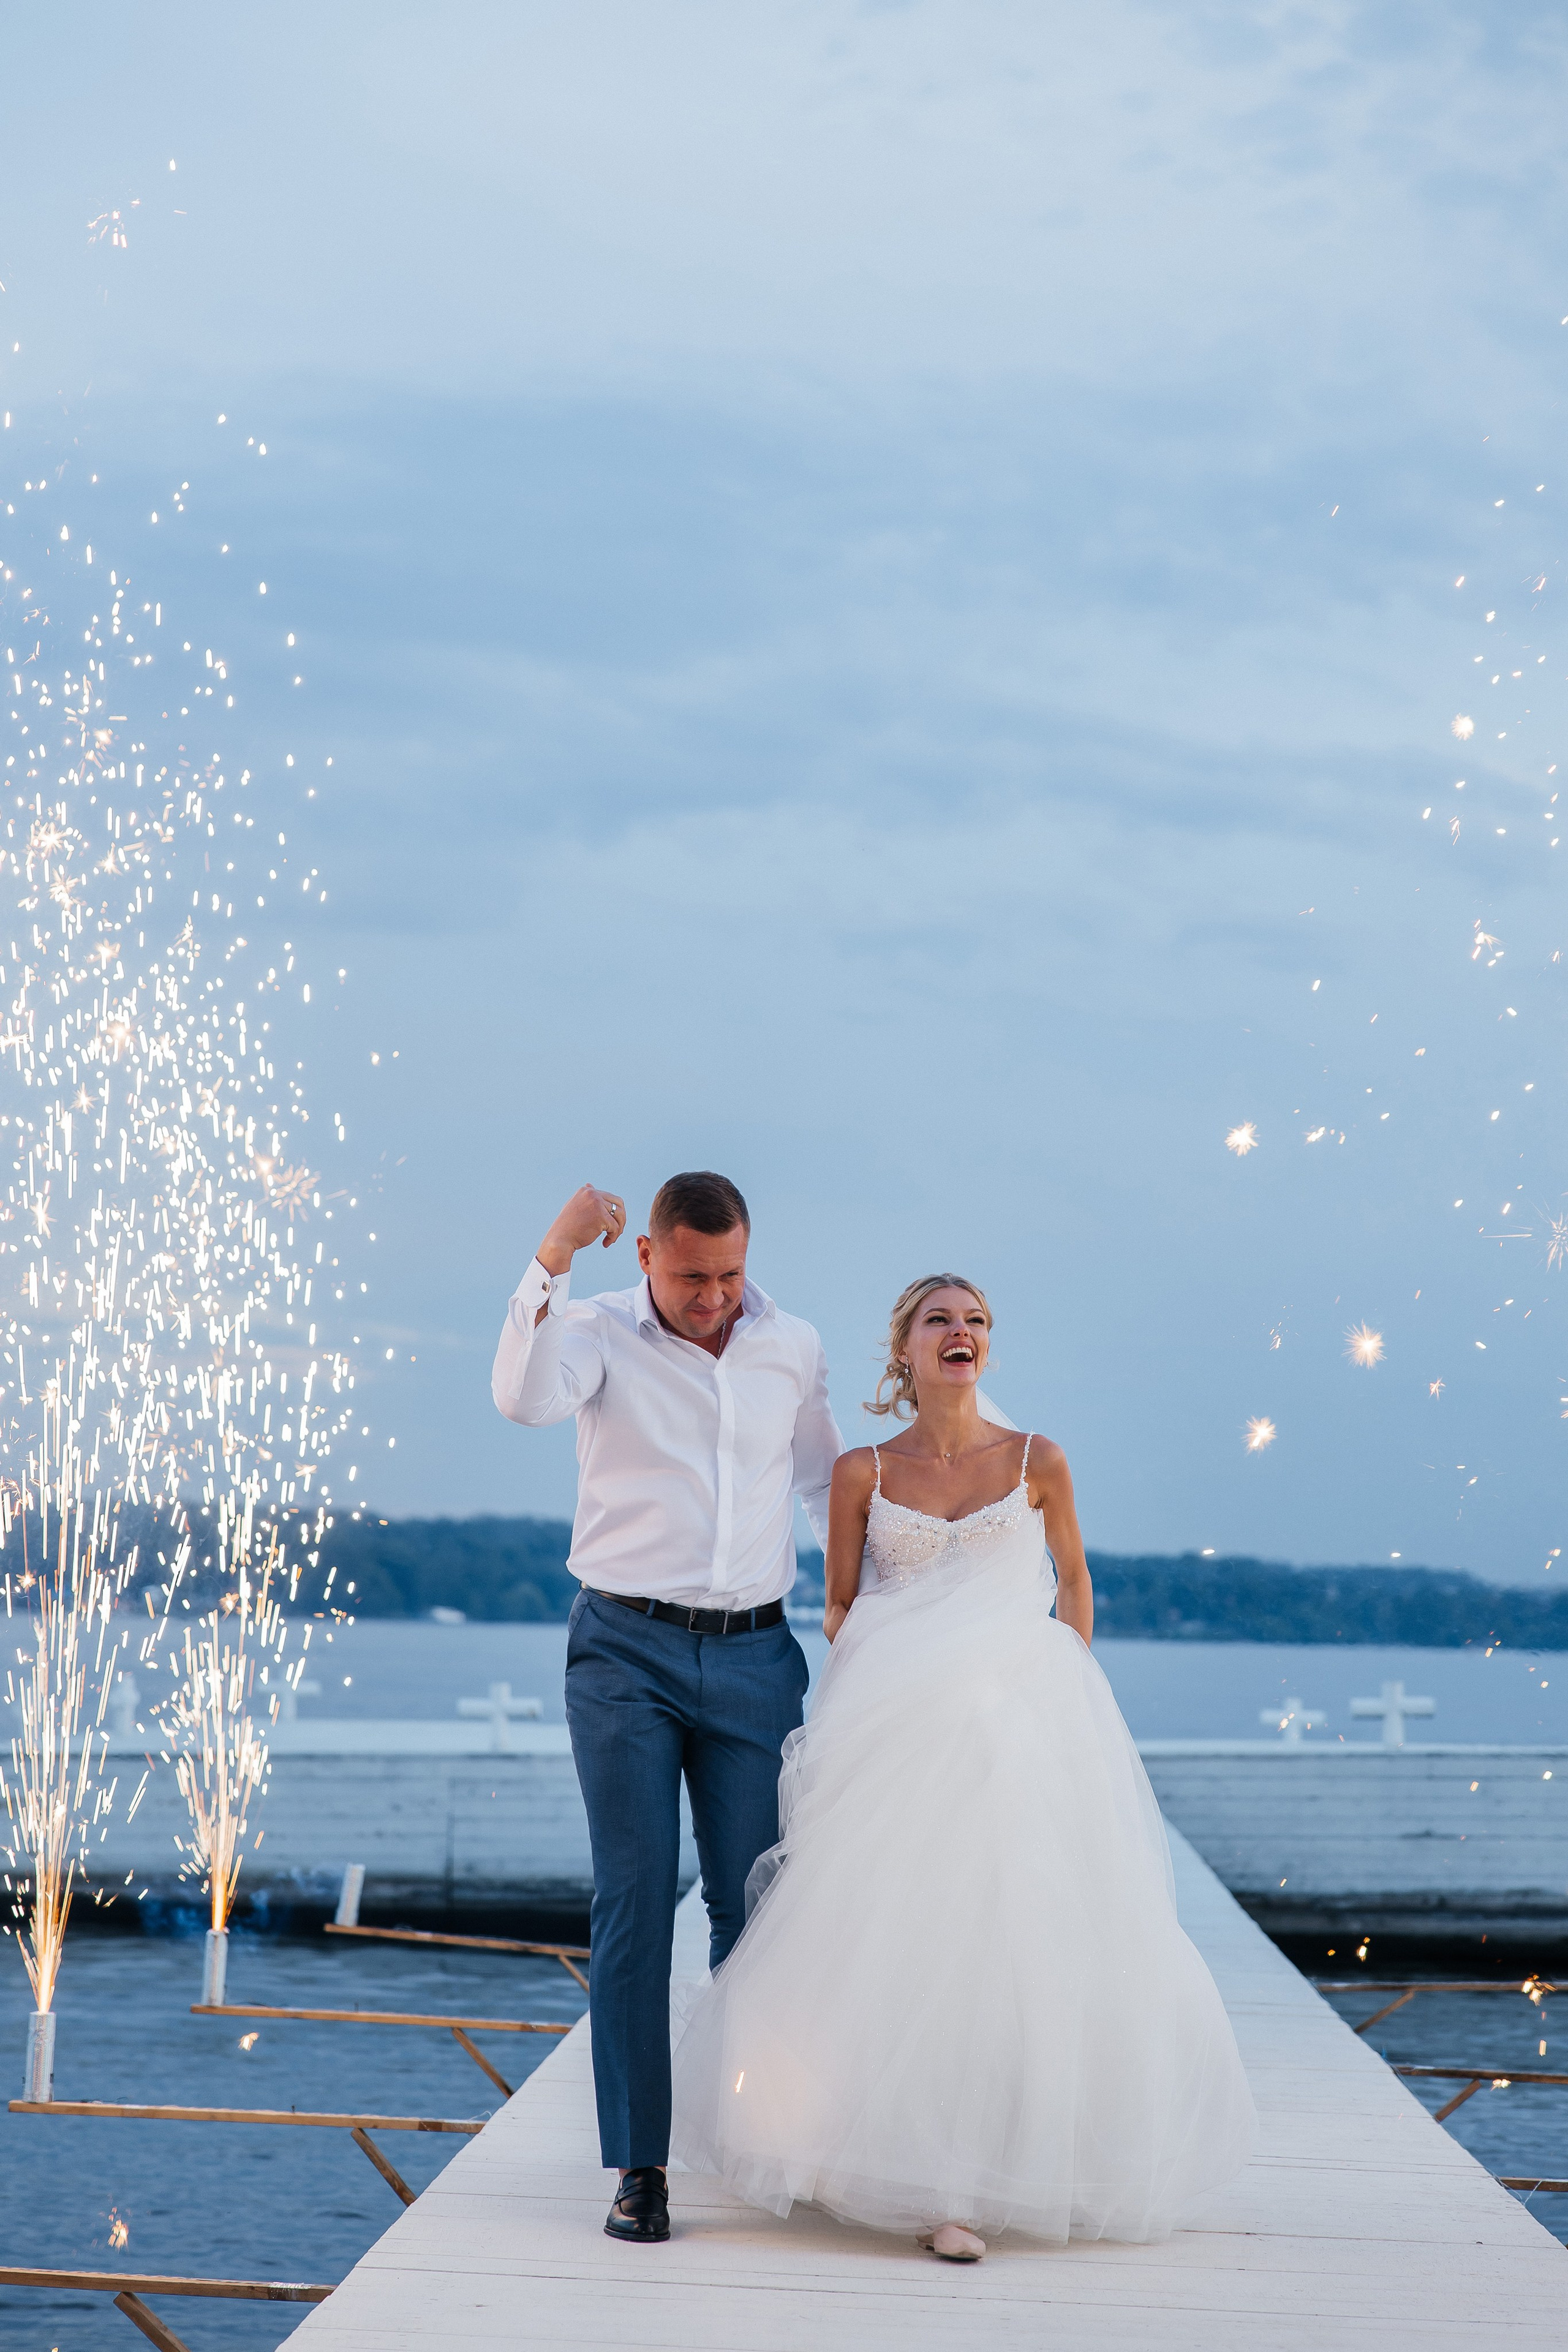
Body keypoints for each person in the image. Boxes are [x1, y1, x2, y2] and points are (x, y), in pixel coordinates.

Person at [670, 1273, 1254, 2261]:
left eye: (978, 1320)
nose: (963, 1332)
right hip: (899, 1729)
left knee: (1010, 1939)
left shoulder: (1039, 1460)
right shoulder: (862, 1472)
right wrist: (891, 1688)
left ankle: (990, 2174)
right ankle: (900, 2169)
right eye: (941, 1319)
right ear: (904, 1349)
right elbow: (845, 1609)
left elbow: (1074, 1584)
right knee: (898, 1936)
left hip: (1019, 1725)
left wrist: (1051, 1684)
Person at [491, 1170, 841, 2246]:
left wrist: (887, 1618)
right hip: (624, 1651)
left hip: (756, 1654)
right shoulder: (594, 1329)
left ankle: (767, 2135)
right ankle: (641, 2166)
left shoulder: (794, 1345)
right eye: (694, 1276)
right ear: (647, 1255)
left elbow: (831, 1489)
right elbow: (522, 1397)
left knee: (758, 1904)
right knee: (637, 1899)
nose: (715, 1296)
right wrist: (549, 1255)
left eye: (732, 1273)